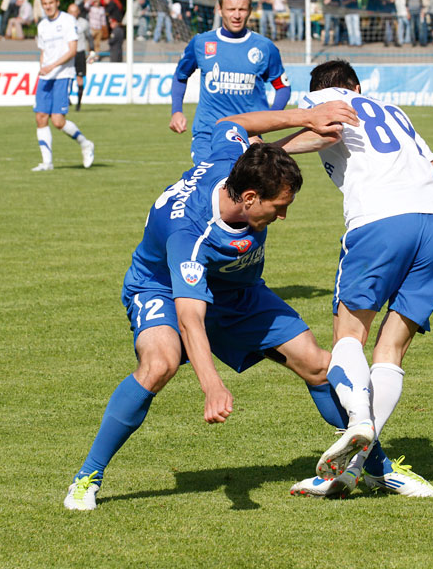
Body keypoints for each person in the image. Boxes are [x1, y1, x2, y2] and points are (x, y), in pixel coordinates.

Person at [61, 102, 403, 511]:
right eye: (278, 207)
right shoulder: (189, 234)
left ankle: (379, 469)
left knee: (316, 362)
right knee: (159, 364)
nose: (284, 215)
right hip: (161, 288)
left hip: (237, 293)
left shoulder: (233, 156)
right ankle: (87, 478)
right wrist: (211, 385)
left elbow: (231, 123)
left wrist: (305, 118)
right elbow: (190, 319)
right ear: (250, 197)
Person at [287, 60, 433, 498]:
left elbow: (325, 130)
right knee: (393, 347)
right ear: (359, 85)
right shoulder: (395, 110)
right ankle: (357, 468)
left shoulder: (329, 99)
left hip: (382, 222)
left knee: (349, 334)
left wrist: (271, 148)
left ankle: (360, 421)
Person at [169, 0, 291, 167]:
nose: (236, 15)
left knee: (246, 193)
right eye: (231, 9)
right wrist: (176, 111)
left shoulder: (264, 47)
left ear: (250, 10)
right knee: (213, 188)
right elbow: (180, 76)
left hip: (248, 135)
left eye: (242, 9)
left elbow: (283, 87)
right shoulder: (201, 43)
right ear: (219, 10)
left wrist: (268, 121)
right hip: (208, 133)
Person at [31, 0, 95, 172]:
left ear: (57, 2)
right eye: (45, 4)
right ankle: (47, 163)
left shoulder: (67, 20)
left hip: (62, 74)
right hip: (46, 76)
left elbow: (72, 50)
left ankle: (85, 143)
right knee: (40, 117)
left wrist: (51, 67)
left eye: (51, 2)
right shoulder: (42, 25)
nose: (48, 6)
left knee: (58, 121)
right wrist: (42, 66)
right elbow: (43, 51)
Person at [68, 3, 95, 111]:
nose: (73, 14)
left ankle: (78, 104)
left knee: (80, 78)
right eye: (71, 11)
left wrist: (92, 51)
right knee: (66, 77)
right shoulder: (64, 22)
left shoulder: (84, 23)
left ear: (78, 12)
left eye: (75, 11)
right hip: (68, 54)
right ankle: (66, 98)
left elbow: (89, 37)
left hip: (79, 53)